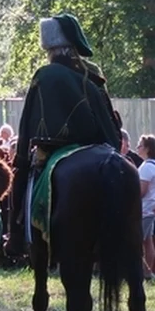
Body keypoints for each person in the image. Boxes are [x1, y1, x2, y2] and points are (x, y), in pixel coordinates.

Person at [7, 14, 123, 257]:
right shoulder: (92, 72)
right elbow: (106, 112)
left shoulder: (44, 75)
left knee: (22, 178)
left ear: (50, 48)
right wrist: (113, 139)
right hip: (95, 144)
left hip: (51, 148)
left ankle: (16, 238)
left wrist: (22, 157)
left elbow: (29, 116)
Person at [136, 135, 155, 279]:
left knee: (137, 242)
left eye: (140, 145)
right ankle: (147, 272)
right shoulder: (152, 166)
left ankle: (144, 271)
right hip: (150, 209)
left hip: (143, 210)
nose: (137, 148)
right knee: (148, 241)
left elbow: (141, 191)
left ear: (147, 149)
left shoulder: (146, 168)